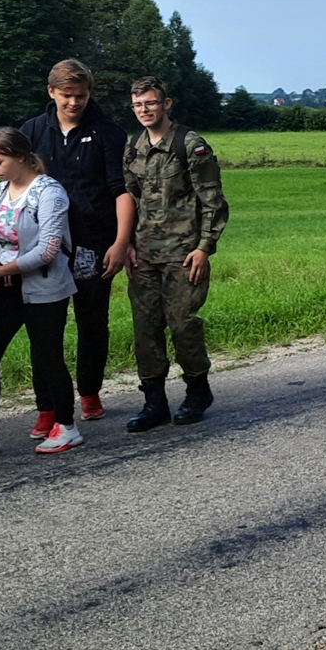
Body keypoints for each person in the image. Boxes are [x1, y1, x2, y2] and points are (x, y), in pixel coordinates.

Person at [20, 58, 133, 425]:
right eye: (66, 95)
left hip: (94, 243)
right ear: (51, 92)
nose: (74, 102)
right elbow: (16, 186)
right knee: (44, 327)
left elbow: (121, 190)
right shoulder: (33, 131)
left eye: (81, 95)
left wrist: (121, 242)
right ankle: (47, 406)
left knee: (93, 321)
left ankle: (89, 391)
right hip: (43, 247)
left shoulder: (109, 132)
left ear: (89, 93)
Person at [123, 76, 230, 431]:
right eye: (138, 105)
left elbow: (213, 201)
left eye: (151, 103)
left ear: (166, 104)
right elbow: (130, 199)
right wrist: (126, 245)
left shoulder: (190, 144)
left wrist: (204, 248)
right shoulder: (134, 146)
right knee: (145, 329)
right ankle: (154, 402)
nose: (144, 110)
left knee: (183, 325)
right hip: (144, 255)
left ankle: (198, 392)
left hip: (184, 254)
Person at [0, 128, 82, 454]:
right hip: (4, 288)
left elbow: (48, 249)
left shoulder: (49, 192)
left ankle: (67, 427)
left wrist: (3, 270)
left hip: (44, 287)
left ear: (20, 157)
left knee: (47, 356)